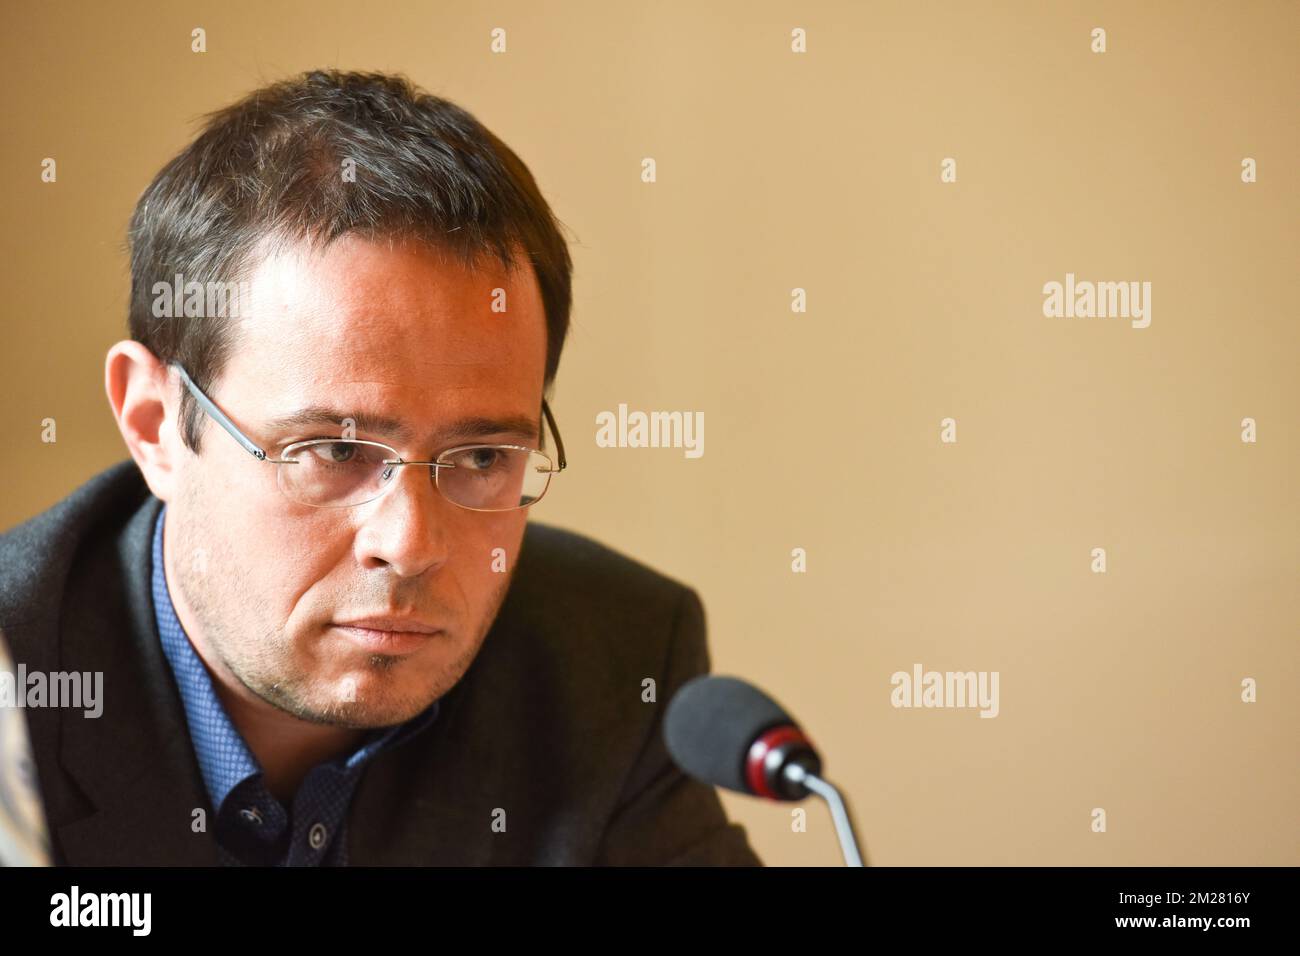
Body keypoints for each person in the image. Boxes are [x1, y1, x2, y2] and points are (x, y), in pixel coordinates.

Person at [0, 69, 761, 866]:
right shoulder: (19, 683)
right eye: (334, 450)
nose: (410, 542)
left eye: (481, 457)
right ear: (155, 425)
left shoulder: (615, 662)